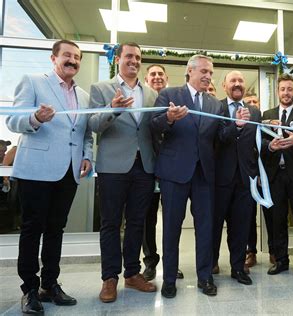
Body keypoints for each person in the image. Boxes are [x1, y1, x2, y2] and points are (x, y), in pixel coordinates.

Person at [150, 55, 249, 298]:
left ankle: (205, 277)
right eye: (204, 71)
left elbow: (219, 138)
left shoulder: (215, 104)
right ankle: (169, 279)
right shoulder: (169, 94)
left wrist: (235, 126)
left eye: (210, 72)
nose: (208, 76)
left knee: (205, 227)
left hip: (205, 175)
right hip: (174, 172)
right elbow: (153, 125)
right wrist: (169, 119)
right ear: (190, 71)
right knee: (171, 228)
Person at [6, 39, 93, 314]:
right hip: (36, 169)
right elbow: (13, 120)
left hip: (69, 171)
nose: (73, 60)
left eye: (77, 57)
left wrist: (88, 155)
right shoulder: (32, 81)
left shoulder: (84, 96)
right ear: (53, 58)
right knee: (32, 228)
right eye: (67, 55)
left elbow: (85, 133)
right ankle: (29, 289)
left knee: (56, 229)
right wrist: (36, 118)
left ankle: (49, 284)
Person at [89, 42, 158, 303]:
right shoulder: (101, 89)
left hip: (144, 166)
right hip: (113, 167)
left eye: (138, 57)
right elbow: (94, 124)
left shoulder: (151, 93)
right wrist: (113, 110)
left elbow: (153, 130)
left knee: (137, 222)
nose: (134, 60)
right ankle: (110, 278)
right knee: (110, 223)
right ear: (118, 59)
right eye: (129, 56)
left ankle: (132, 273)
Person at [262, 73, 293, 279]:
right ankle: (281, 260)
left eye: (289, 89)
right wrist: (270, 146)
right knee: (277, 220)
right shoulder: (268, 113)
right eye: (282, 89)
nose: (286, 93)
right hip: (275, 175)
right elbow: (261, 141)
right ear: (277, 91)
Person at [212, 70, 259, 285]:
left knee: (240, 227)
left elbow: (256, 145)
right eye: (233, 80)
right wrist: (235, 125)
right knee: (213, 225)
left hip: (245, 179)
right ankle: (211, 262)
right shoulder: (215, 108)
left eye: (241, 80)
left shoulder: (254, 112)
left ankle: (238, 267)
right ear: (224, 86)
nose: (238, 83)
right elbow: (216, 139)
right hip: (219, 179)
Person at [142, 64, 184, 281]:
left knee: (171, 218)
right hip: (147, 169)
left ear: (166, 78)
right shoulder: (142, 101)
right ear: (146, 79)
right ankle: (150, 262)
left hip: (173, 170)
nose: (157, 77)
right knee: (147, 219)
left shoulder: (174, 99)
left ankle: (171, 263)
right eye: (153, 74)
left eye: (160, 74)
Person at [242, 91, 261, 269]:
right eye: (249, 102)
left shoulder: (262, 122)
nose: (252, 104)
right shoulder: (239, 121)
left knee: (251, 216)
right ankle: (244, 252)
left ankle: (252, 251)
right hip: (240, 175)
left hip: (259, 175)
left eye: (255, 101)